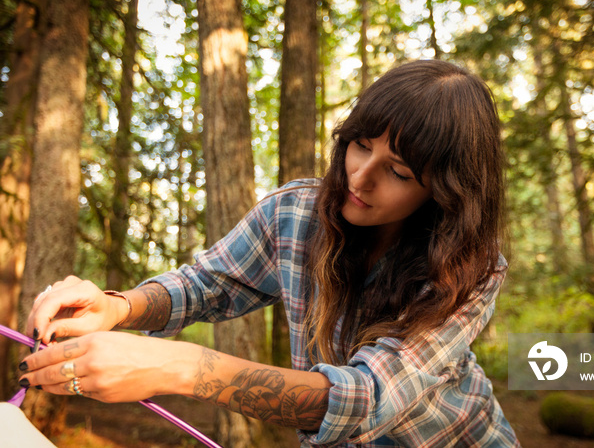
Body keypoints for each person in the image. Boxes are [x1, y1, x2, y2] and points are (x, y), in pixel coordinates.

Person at [20, 59, 520, 447]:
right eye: (361, 145)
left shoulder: (471, 265)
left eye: (400, 172)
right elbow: (206, 285)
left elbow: (367, 398)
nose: (360, 176)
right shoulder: (295, 212)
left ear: (444, 192)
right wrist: (117, 306)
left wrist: (179, 368)